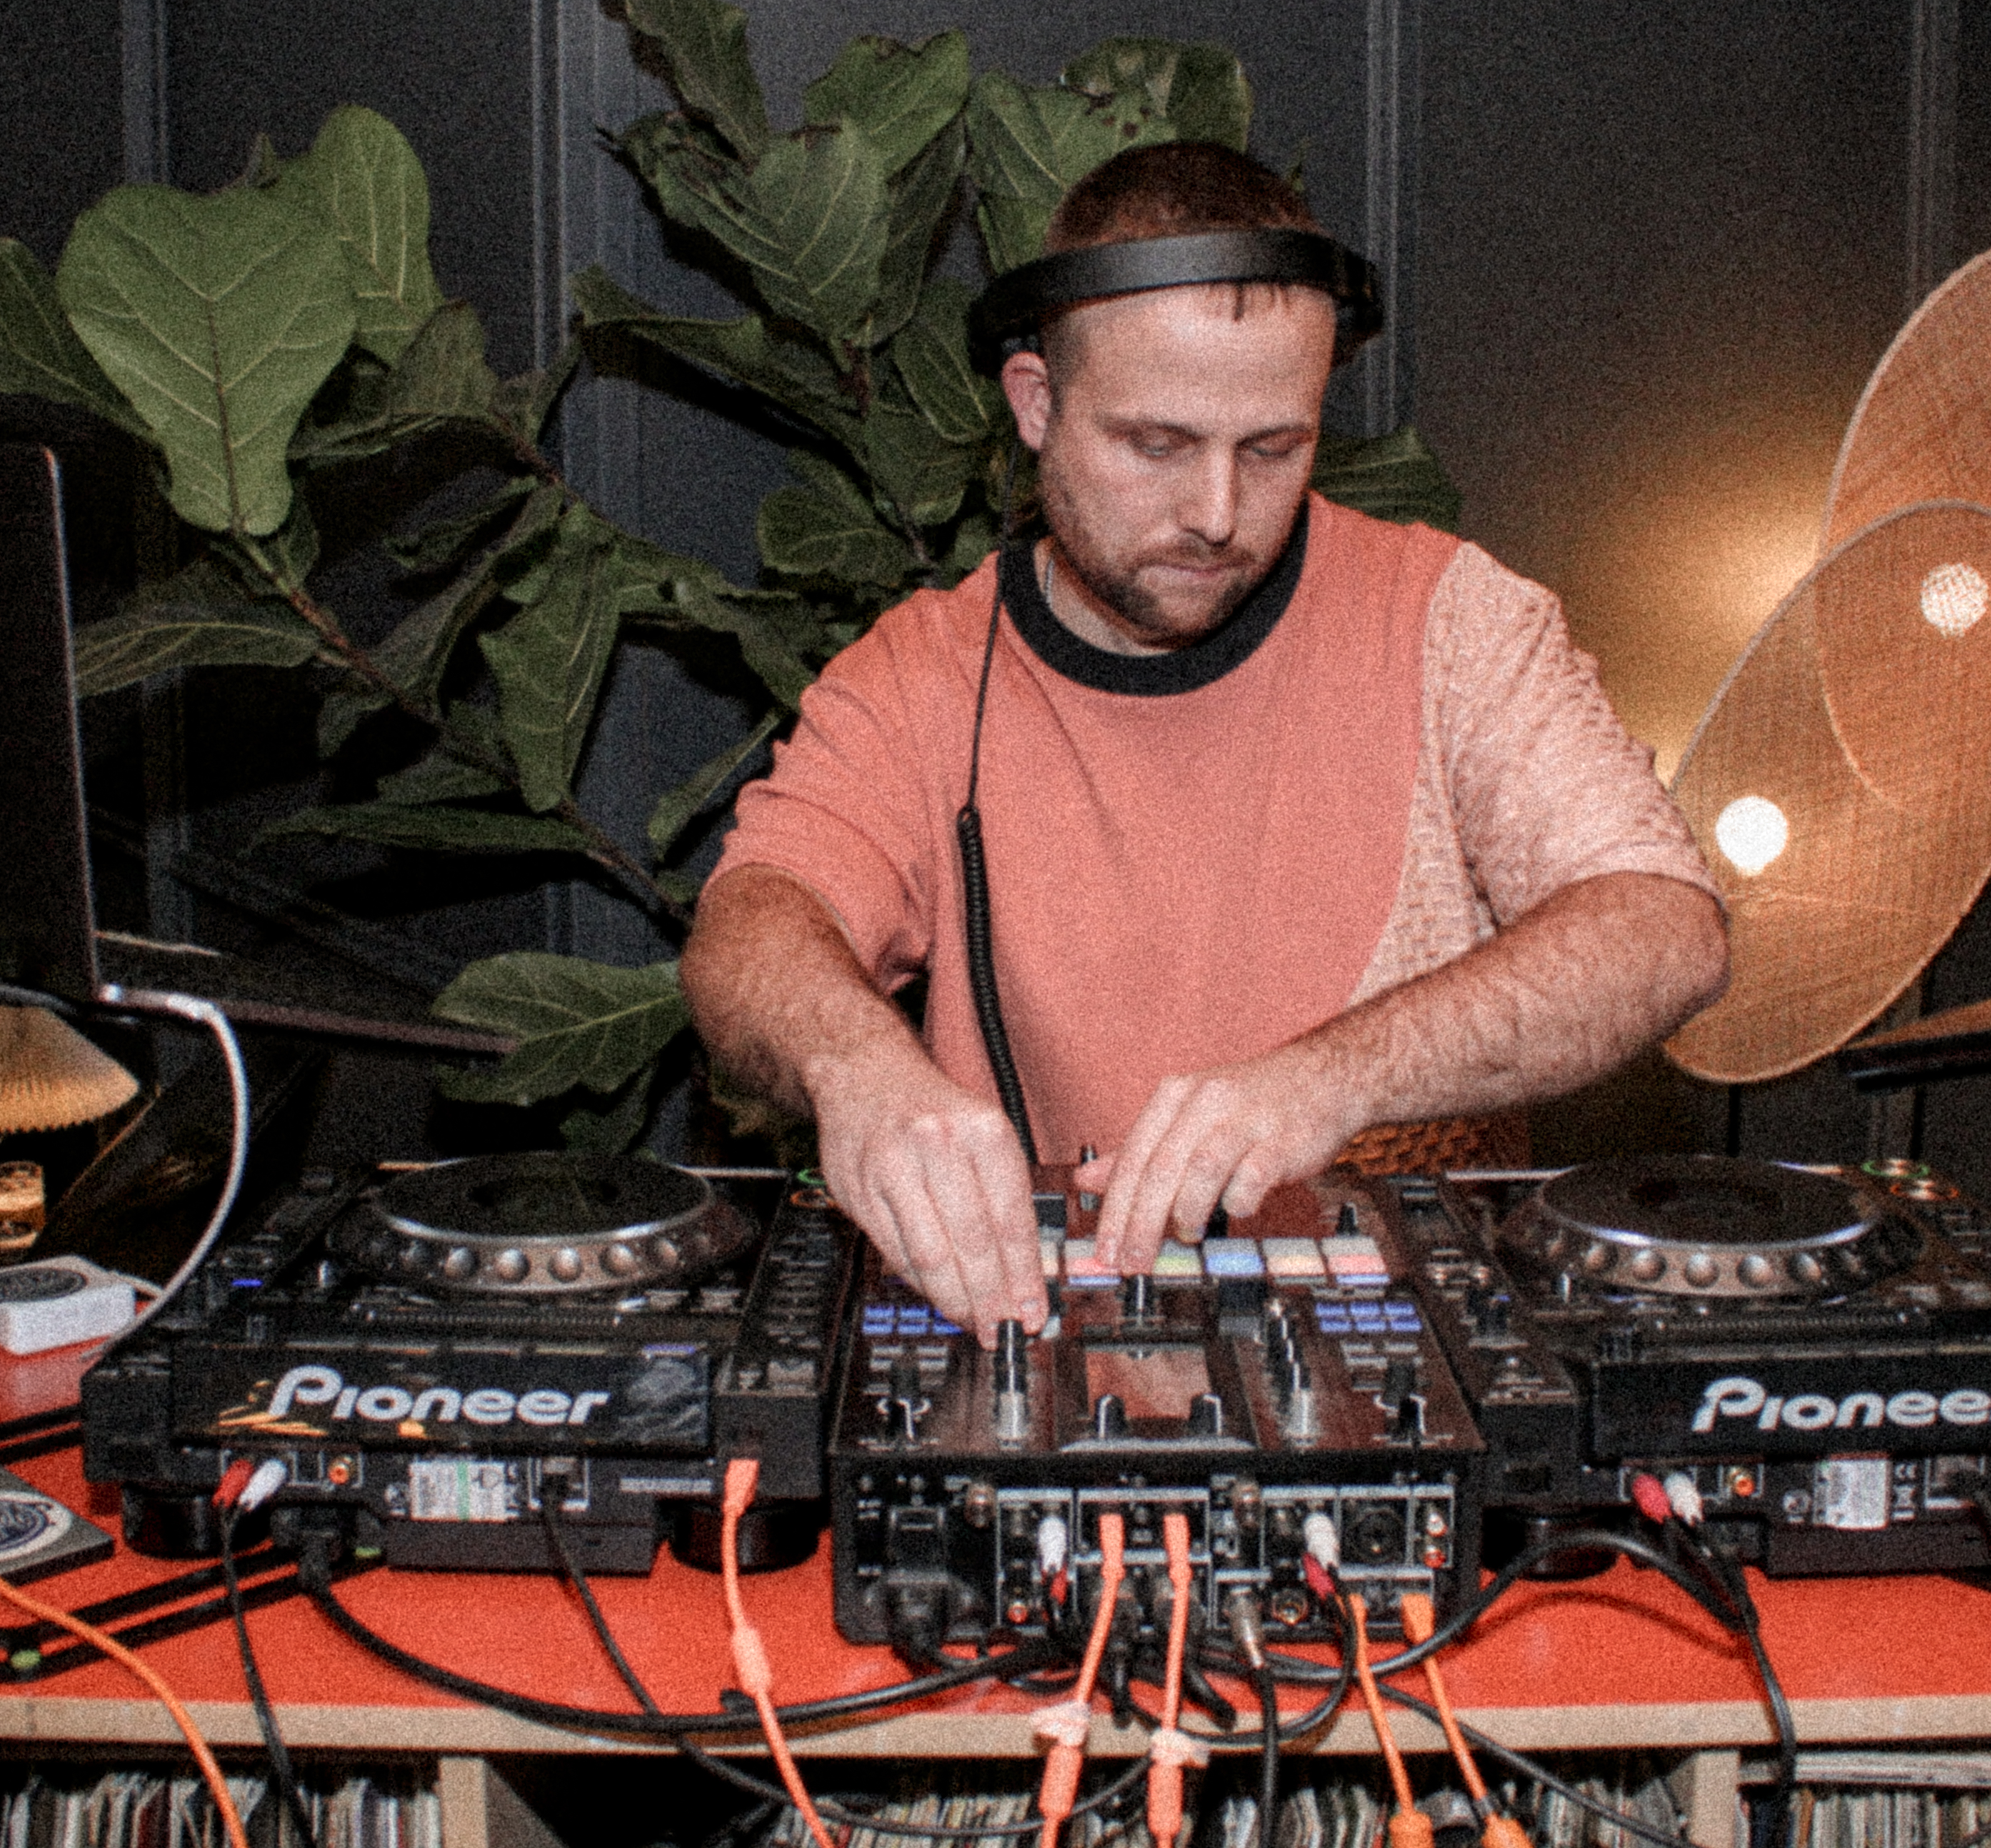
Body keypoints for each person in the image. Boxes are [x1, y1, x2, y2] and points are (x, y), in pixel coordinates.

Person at [683, 142, 1726, 1335]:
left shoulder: (1457, 621)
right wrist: (853, 1070)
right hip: (1034, 1387)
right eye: (1156, 446)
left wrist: (1333, 1080)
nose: (1217, 514)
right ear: (1037, 406)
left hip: (1413, 1381)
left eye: (1272, 448)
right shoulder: (919, 674)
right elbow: (752, 921)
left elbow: (1663, 928)